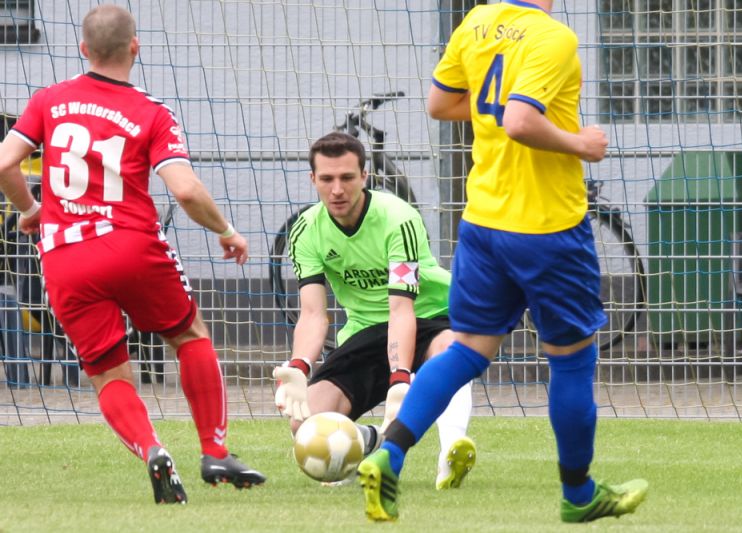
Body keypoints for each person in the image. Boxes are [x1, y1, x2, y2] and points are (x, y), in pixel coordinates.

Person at [357, 0, 648, 523]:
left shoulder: (477, 21)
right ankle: (579, 494)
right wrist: (580, 144)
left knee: (467, 350)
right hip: (548, 230)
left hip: (483, 224)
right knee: (572, 359)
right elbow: (519, 121)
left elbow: (440, 104)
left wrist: (502, 109)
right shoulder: (553, 38)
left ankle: (390, 452)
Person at [0, 4, 265, 504]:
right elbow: (185, 190)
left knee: (107, 372)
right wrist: (227, 231)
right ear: (135, 47)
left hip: (66, 257)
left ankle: (152, 449)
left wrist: (32, 209)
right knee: (188, 334)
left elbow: (3, 164)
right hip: (131, 246)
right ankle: (214, 451)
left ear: (83, 49)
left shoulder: (49, 100)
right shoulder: (152, 112)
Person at [272, 131, 475, 489]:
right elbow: (313, 314)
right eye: (327, 179)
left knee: (453, 351)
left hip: (429, 316)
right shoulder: (305, 231)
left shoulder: (398, 218)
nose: (337, 189)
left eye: (347, 178)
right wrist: (299, 366)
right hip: (366, 329)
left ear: (365, 176)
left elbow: (401, 309)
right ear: (313, 179)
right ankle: (370, 442)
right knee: (304, 423)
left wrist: (400, 377)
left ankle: (451, 451)